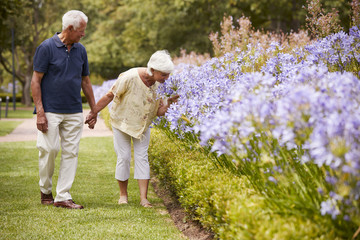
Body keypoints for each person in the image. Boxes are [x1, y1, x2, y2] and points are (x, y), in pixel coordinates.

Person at [85, 50, 179, 208]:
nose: (166, 78)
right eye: (164, 74)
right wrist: (94, 112)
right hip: (122, 122)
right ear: (153, 70)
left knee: (142, 158)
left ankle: (144, 199)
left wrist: (169, 103)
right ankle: (123, 195)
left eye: (168, 74)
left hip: (142, 125)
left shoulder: (160, 85)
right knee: (124, 157)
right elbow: (110, 95)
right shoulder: (130, 76)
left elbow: (159, 112)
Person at [31, 10, 97, 209]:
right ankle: (45, 189)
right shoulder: (46, 47)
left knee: (71, 152)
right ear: (69, 29)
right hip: (50, 110)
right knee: (49, 149)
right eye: (81, 31)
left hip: (74, 110)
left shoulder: (81, 50)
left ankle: (63, 196)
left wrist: (94, 110)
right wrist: (40, 112)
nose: (83, 34)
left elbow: (85, 81)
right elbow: (36, 80)